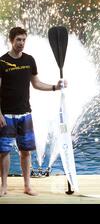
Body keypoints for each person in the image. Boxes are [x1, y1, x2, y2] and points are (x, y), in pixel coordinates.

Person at [0, 27, 66, 196]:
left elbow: (36, 84)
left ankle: (27, 186)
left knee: (26, 151)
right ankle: (4, 186)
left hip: (25, 114)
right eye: (18, 40)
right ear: (11, 40)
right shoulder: (2, 62)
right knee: (3, 152)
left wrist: (54, 87)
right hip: (6, 115)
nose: (21, 43)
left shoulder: (29, 60)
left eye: (23, 40)